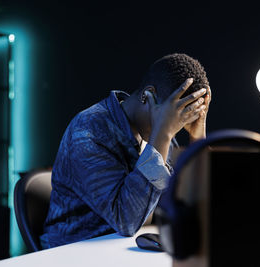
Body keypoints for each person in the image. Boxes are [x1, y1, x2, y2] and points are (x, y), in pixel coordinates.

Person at [40, 53, 212, 249]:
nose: (177, 128)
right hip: (72, 252)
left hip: (120, 250)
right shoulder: (88, 131)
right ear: (148, 96)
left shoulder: (161, 130)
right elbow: (126, 221)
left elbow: (189, 205)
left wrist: (198, 140)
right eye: (176, 119)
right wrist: (162, 134)